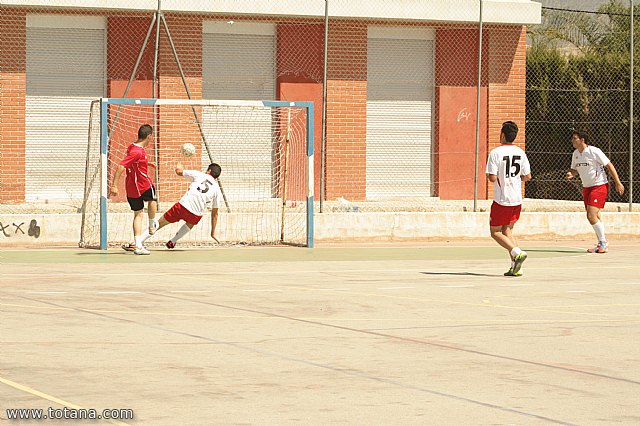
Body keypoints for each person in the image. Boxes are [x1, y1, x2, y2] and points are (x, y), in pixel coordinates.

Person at [136, 162, 223, 251]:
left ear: (209, 171)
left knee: (159, 223)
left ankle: (138, 242)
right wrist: (212, 232)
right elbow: (215, 213)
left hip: (183, 206)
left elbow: (179, 172)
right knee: (191, 223)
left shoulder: (199, 174)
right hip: (195, 214)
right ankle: (173, 241)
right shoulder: (217, 189)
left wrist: (179, 165)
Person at [565, 130, 624, 253]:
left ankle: (603, 243)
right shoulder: (575, 153)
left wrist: (618, 183)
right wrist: (571, 173)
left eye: (574, 138)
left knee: (591, 215)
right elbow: (574, 169)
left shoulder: (594, 151)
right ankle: (601, 243)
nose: (572, 140)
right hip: (586, 187)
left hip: (599, 186)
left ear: (582, 140)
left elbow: (609, 165)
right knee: (596, 216)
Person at [486, 121, 532, 276]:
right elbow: (527, 176)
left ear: (502, 134)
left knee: (495, 232)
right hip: (517, 199)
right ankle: (515, 266)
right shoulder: (521, 152)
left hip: (502, 199)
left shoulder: (495, 152)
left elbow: (492, 178)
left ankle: (516, 252)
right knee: (508, 231)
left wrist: (494, 175)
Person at [109, 124, 158, 255]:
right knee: (153, 198)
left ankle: (138, 245)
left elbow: (134, 161)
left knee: (139, 214)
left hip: (131, 187)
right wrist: (114, 185)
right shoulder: (137, 151)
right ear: (149, 136)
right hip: (142, 184)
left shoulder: (132, 146)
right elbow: (121, 166)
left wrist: (147, 163)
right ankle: (152, 224)